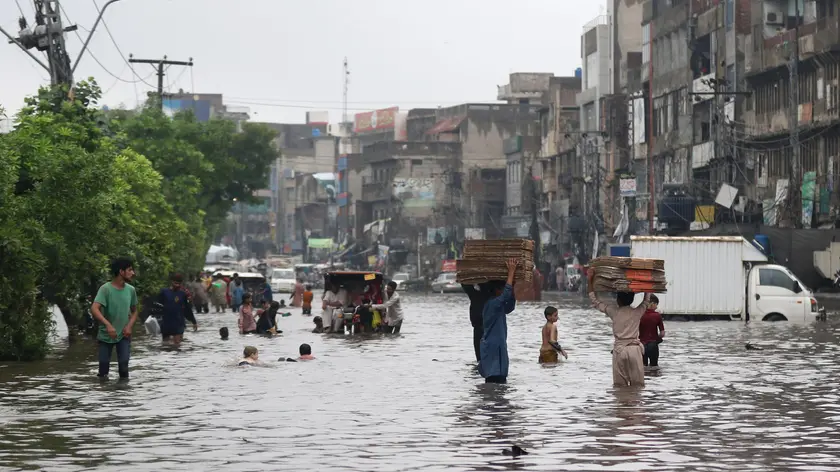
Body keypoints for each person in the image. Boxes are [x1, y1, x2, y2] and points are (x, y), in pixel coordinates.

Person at [587, 272, 652, 387]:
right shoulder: (637, 312)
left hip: (619, 350)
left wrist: (590, 279)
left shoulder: (614, 312)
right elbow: (646, 301)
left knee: (619, 387)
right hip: (634, 350)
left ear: (618, 300)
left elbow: (595, 301)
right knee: (638, 387)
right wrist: (647, 283)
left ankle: (622, 404)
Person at [90, 258, 138, 379]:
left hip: (124, 334)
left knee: (124, 367)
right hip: (106, 334)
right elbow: (94, 308)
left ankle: (122, 395)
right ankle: (104, 395)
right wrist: (108, 325)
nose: (133, 273)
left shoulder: (131, 290)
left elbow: (135, 311)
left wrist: (129, 326)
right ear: (121, 272)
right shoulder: (105, 289)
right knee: (103, 370)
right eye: (130, 270)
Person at [478, 259, 519, 384]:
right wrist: (511, 273)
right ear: (496, 290)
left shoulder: (498, 306)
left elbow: (510, 306)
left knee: (500, 383)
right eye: (503, 288)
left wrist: (512, 286)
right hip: (492, 348)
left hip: (499, 347)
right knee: (493, 381)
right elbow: (505, 296)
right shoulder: (492, 304)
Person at [156, 273, 198, 344]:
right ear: (171, 281)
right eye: (175, 283)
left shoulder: (183, 294)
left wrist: (194, 322)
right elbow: (157, 306)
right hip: (166, 322)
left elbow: (187, 309)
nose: (177, 285)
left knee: (177, 344)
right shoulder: (164, 292)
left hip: (179, 322)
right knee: (165, 345)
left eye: (179, 283)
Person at [462, 283, 492, 363]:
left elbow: (466, 285)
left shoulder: (477, 295)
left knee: (481, 358)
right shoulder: (490, 294)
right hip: (482, 324)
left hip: (482, 323)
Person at [639, 294, 665, 368]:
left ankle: (645, 379)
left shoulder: (639, 314)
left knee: (643, 367)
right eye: (656, 304)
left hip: (641, 345)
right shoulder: (657, 316)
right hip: (653, 345)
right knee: (654, 367)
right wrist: (657, 338)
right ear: (652, 304)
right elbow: (662, 333)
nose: (656, 307)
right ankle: (654, 379)